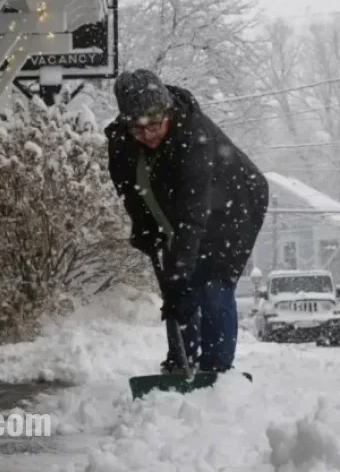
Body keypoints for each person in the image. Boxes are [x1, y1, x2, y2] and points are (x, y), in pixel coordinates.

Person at [105, 69, 269, 375]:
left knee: (210, 285)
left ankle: (216, 370)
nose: (148, 135)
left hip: (234, 209)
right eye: (138, 129)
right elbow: (131, 191)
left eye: (154, 125)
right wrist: (145, 231)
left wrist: (180, 279)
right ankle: (182, 363)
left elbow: (192, 217)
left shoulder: (194, 138)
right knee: (176, 288)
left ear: (167, 112)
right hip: (179, 214)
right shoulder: (120, 141)